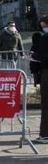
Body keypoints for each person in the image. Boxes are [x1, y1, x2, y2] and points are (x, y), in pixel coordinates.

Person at [32, 15, 48, 144]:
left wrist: (34, 56)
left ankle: (45, 134)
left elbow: (43, 56)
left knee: (46, 105)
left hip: (46, 72)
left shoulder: (44, 39)